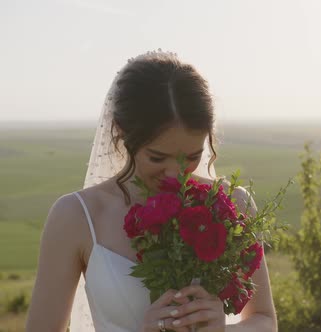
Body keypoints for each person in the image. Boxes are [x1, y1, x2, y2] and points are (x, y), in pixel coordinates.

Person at [26, 50, 277, 332]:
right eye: (157, 158)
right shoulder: (76, 217)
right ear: (120, 132)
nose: (175, 174)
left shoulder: (234, 205)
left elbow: (265, 321)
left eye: (192, 155)